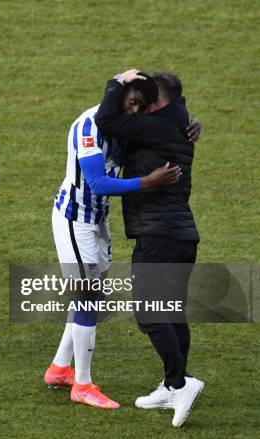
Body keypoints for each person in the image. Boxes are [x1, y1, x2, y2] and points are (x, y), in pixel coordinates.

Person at [45, 74, 187, 409]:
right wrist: (147, 182)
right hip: (74, 219)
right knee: (88, 298)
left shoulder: (125, 127)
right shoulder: (88, 128)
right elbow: (97, 183)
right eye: (131, 102)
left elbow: (163, 129)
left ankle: (59, 368)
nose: (135, 110)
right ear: (119, 97)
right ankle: (82, 385)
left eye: (141, 105)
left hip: (97, 220)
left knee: (91, 296)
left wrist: (189, 127)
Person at [95, 69, 203, 427]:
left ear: (158, 98)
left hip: (159, 236)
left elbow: (106, 119)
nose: (137, 105)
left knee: (148, 311)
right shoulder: (178, 121)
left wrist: (115, 82)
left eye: (143, 99)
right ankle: (172, 386)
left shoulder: (157, 126)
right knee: (172, 312)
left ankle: (179, 382)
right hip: (182, 234)